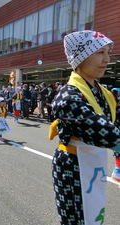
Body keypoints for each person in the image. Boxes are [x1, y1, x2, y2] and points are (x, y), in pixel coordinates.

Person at [49, 30, 120, 224]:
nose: (107, 58)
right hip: (72, 165)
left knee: (95, 213)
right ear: (80, 57)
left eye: (107, 52)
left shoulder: (106, 94)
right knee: (76, 219)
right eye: (100, 52)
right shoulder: (67, 96)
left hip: (94, 162)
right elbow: (102, 132)